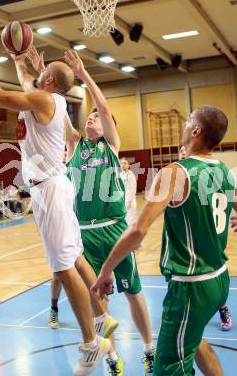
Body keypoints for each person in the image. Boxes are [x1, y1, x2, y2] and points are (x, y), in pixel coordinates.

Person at [0, 42, 117, 375]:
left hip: (48, 190)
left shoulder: (43, 99)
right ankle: (103, 318)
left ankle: (91, 342)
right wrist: (21, 60)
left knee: (63, 268)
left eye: (42, 72)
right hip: (57, 186)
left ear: (46, 78)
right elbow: (26, 83)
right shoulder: (56, 99)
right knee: (75, 258)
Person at [93, 106, 237, 376]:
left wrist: (106, 269)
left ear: (196, 131)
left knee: (168, 368)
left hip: (191, 287)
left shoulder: (175, 172)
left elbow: (138, 230)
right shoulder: (224, 171)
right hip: (219, 279)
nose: (184, 125)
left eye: (189, 121)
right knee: (195, 342)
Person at [39, 49, 154, 375]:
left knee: (133, 292)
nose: (90, 118)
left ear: (106, 128)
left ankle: (148, 349)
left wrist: (84, 74)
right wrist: (41, 74)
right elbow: (57, 113)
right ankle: (112, 358)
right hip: (83, 233)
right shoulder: (74, 146)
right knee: (97, 303)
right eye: (87, 116)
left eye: (96, 118)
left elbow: (103, 107)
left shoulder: (111, 146)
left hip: (114, 230)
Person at [179, 145, 233, 332]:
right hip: (188, 249)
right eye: (181, 151)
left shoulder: (204, 176)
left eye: (186, 150)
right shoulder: (182, 178)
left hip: (208, 243)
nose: (183, 153)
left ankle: (222, 309)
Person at [120, 157, 137, 225]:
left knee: (130, 221)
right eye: (121, 163)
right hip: (123, 199)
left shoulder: (130, 175)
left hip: (130, 201)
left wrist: (129, 201)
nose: (123, 165)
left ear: (128, 165)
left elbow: (133, 189)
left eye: (125, 163)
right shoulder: (120, 175)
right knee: (125, 220)